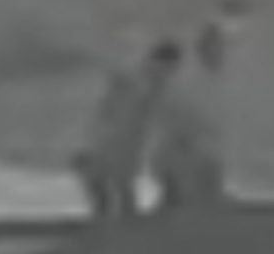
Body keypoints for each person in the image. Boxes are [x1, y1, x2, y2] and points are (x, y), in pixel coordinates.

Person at [75, 39, 184, 222]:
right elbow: (111, 109)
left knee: (118, 186)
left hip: (122, 143)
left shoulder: (152, 83)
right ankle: (110, 222)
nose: (170, 74)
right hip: (113, 142)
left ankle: (114, 222)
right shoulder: (139, 81)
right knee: (111, 185)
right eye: (170, 68)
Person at [151, 19, 233, 213]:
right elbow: (171, 121)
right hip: (190, 156)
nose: (215, 52)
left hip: (208, 157)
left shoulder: (227, 81)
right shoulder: (183, 84)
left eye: (218, 47)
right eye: (208, 46)